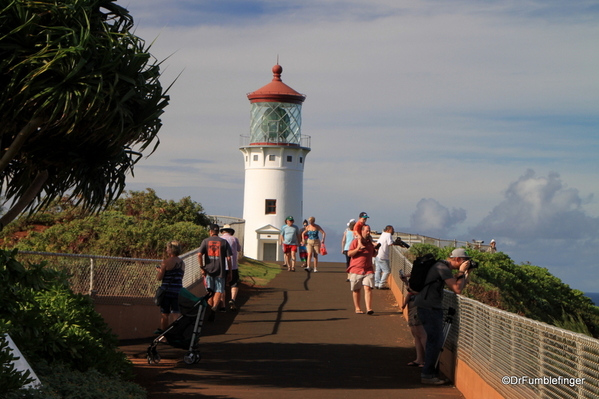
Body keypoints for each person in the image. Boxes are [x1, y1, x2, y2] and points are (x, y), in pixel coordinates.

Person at [414, 248, 472, 385]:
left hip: (430, 307)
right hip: (429, 308)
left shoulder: (442, 266)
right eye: (464, 261)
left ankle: (432, 373)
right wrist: (462, 271)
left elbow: (462, 285)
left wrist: (466, 273)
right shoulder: (441, 267)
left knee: (435, 341)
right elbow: (457, 289)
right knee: (435, 341)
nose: (466, 263)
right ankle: (427, 375)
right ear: (457, 259)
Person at [198, 224, 232, 319]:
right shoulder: (224, 242)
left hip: (208, 270)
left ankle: (209, 309)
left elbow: (199, 254)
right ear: (218, 232)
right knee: (219, 290)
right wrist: (230, 272)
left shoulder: (205, 241)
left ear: (210, 231)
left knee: (210, 291)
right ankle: (214, 308)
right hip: (220, 271)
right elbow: (229, 258)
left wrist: (202, 267)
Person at [155, 240, 185, 334]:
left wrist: (159, 271)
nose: (166, 250)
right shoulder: (182, 263)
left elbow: (159, 278)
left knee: (165, 314)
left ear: (171, 249)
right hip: (178, 291)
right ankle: (176, 333)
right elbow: (180, 277)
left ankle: (164, 336)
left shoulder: (166, 262)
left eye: (168, 248)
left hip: (167, 291)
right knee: (176, 313)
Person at [347, 224, 377, 314]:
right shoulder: (355, 242)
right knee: (356, 290)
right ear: (362, 231)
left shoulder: (370, 243)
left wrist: (377, 250)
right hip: (356, 269)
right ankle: (357, 308)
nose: (369, 232)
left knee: (368, 288)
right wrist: (357, 249)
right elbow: (349, 254)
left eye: (369, 231)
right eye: (367, 231)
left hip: (368, 269)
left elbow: (373, 255)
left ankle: (369, 308)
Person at [400, 273, 426, 368]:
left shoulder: (424, 278)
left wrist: (408, 284)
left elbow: (413, 291)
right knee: (416, 334)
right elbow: (410, 292)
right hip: (412, 305)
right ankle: (420, 359)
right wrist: (406, 282)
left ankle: (427, 360)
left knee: (421, 334)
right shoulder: (416, 280)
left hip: (417, 306)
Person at [220, 224, 242, 311]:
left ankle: (223, 306)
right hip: (233, 265)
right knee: (234, 283)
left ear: (222, 231)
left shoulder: (220, 239)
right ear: (231, 231)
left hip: (222, 266)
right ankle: (232, 299)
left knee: (222, 286)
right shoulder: (234, 239)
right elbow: (239, 249)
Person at [374, 225, 398, 290]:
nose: (393, 231)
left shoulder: (383, 234)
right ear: (389, 230)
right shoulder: (388, 235)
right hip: (383, 256)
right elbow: (390, 243)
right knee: (387, 271)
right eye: (392, 230)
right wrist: (397, 243)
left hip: (377, 254)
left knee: (378, 270)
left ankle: (377, 283)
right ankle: (381, 284)